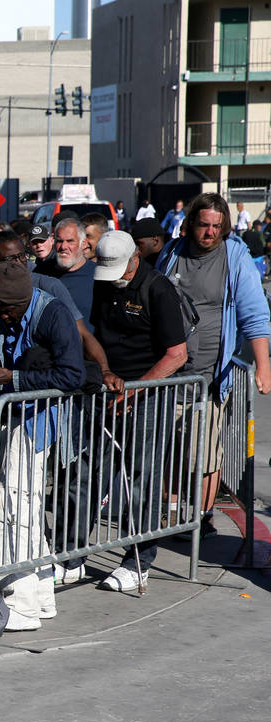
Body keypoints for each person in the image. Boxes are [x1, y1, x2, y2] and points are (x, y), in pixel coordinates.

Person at [0, 239, 84, 630]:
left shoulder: (53, 315)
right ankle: (41, 598)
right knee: (18, 507)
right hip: (9, 417)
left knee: (16, 509)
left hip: (36, 423)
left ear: (22, 303)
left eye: (9, 312)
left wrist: (11, 377)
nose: (4, 318)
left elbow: (72, 375)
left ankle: (21, 606)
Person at [156, 193, 271, 537]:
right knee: (169, 451)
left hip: (209, 376)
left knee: (203, 454)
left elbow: (254, 315)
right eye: (204, 225)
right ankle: (172, 514)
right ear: (191, 223)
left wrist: (263, 366)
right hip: (167, 374)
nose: (209, 233)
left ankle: (201, 517)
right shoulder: (172, 253)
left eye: (216, 227)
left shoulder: (234, 255)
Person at [89, 231, 187, 591]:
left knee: (142, 479)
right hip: (108, 389)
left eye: (119, 269)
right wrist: (104, 373)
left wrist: (133, 392)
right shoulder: (105, 285)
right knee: (90, 472)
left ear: (134, 260)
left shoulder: (157, 289)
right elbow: (96, 334)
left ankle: (137, 561)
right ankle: (73, 554)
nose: (113, 278)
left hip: (147, 394)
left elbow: (177, 355)